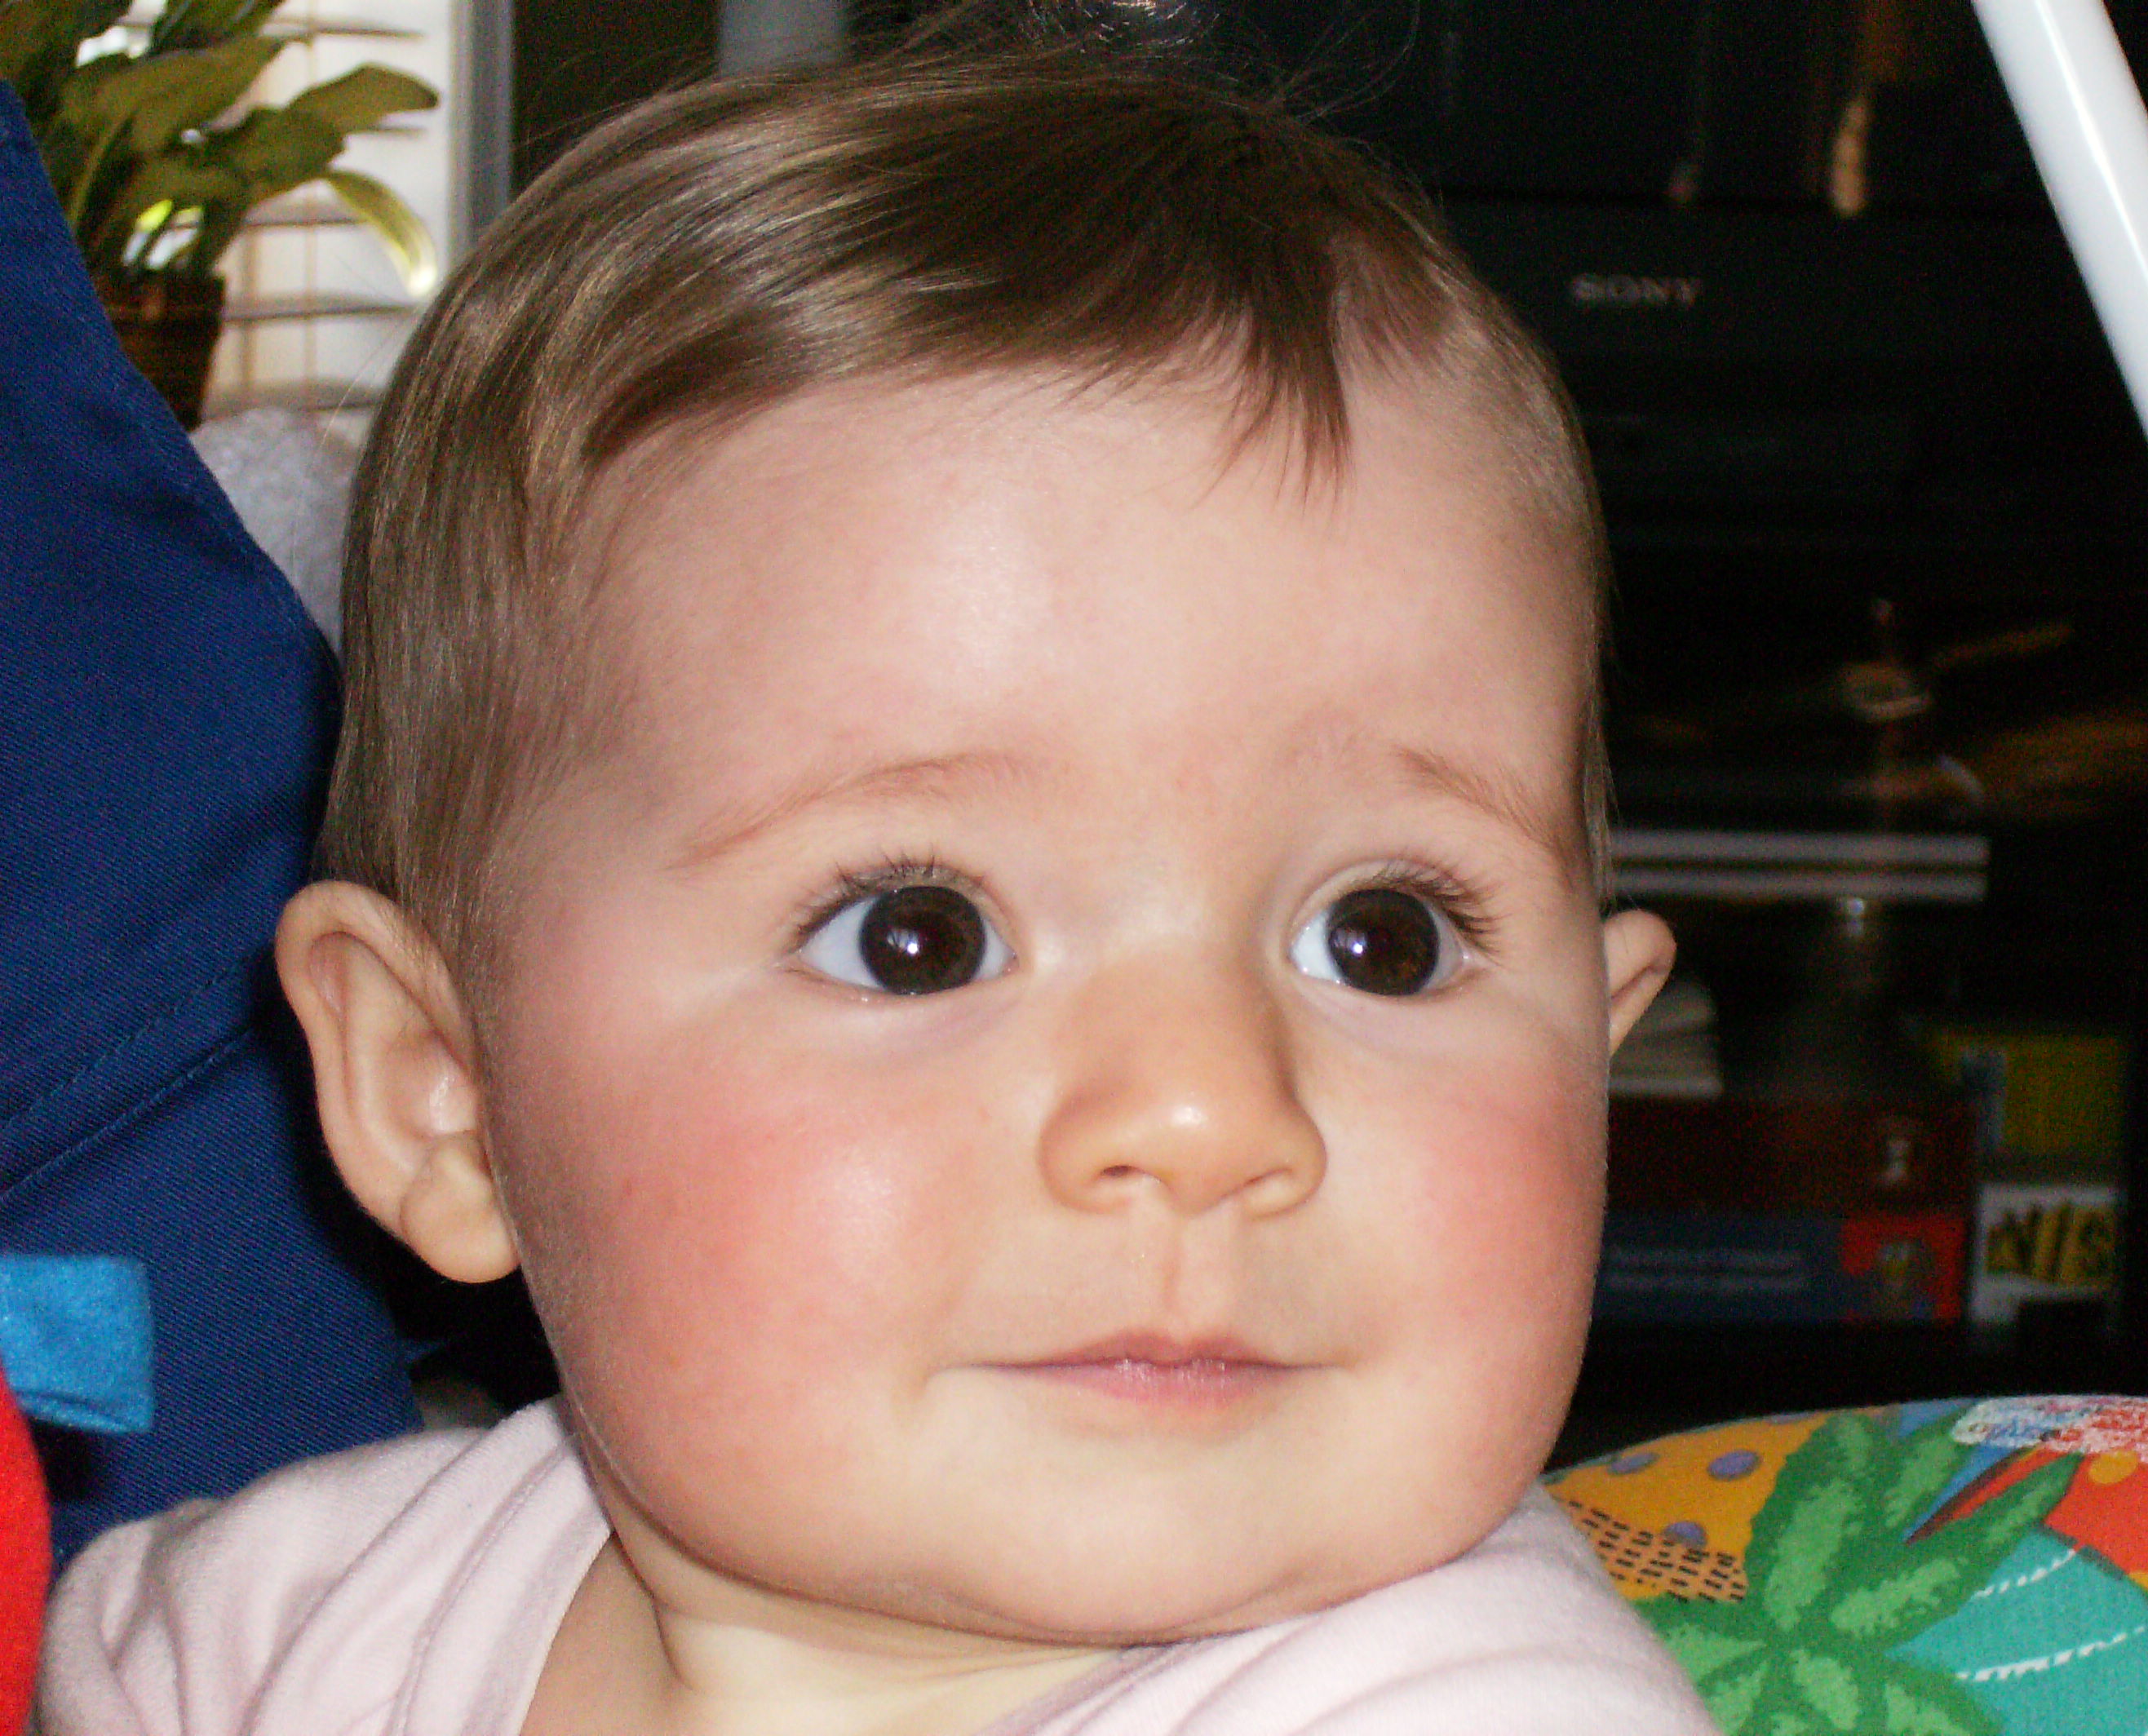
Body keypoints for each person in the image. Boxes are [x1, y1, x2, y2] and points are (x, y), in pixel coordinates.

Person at [38, 26, 1711, 1736]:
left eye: (1384, 938)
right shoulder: (271, 1630)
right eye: (919, 936)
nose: (1205, 1111)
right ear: (444, 1092)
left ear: (1594, 1051)